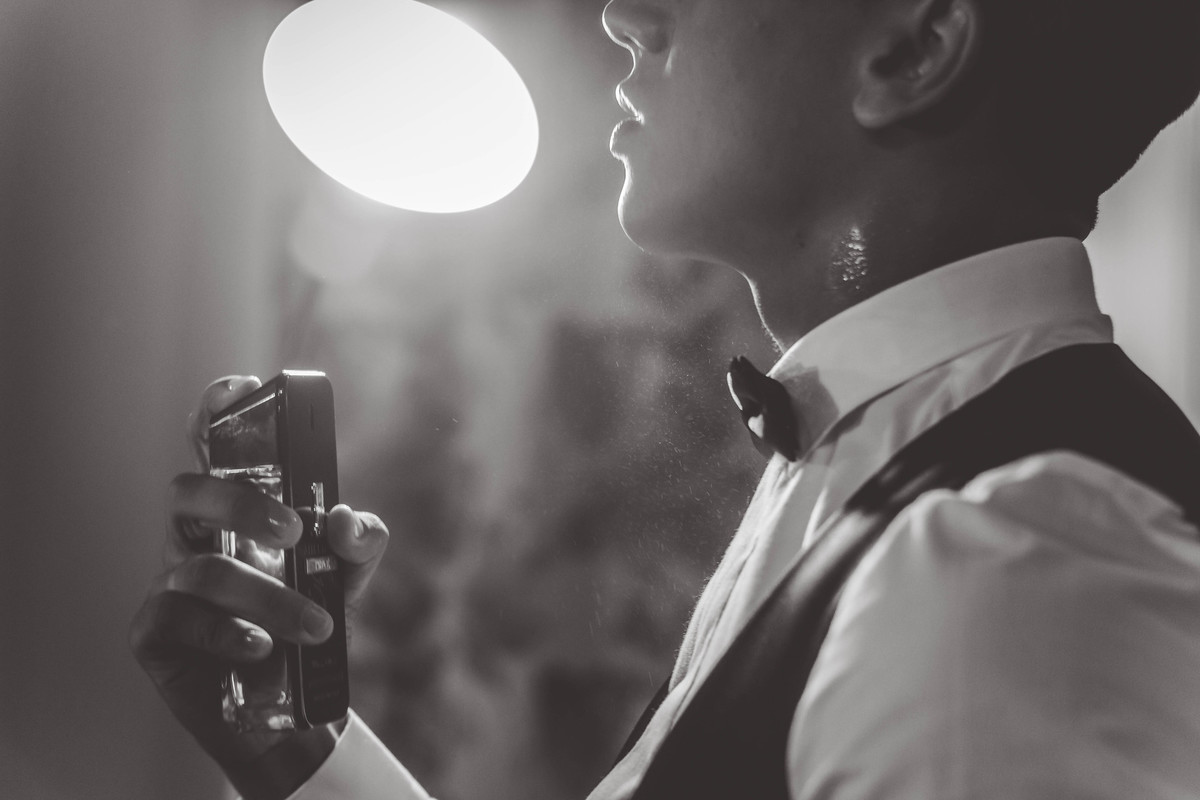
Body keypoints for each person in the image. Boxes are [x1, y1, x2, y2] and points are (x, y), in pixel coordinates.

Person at [131, 0, 1200, 797]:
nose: (625, 14)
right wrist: (299, 751)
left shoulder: (1014, 571)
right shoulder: (892, 470)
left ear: (913, 50)